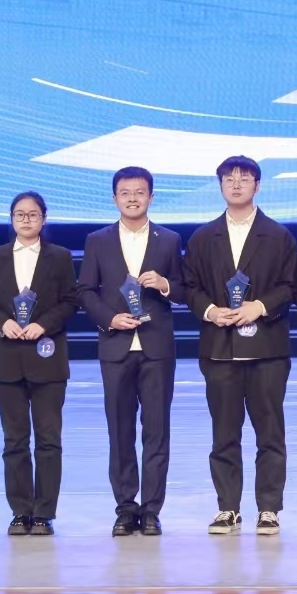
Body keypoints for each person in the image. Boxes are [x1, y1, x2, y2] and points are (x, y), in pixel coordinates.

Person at [183, 156, 297, 536]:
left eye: (244, 178)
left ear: (257, 186)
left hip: (268, 350)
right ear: (220, 185)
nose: (236, 184)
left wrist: (259, 306)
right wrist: (211, 310)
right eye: (229, 179)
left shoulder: (278, 236)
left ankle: (269, 508)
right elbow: (190, 286)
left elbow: (290, 286)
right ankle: (228, 507)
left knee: (270, 432)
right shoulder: (203, 237)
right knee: (224, 434)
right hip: (219, 349)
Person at [77, 166, 186, 536]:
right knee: (120, 431)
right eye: (125, 193)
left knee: (156, 431)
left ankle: (152, 509)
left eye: (140, 192)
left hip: (157, 347)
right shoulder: (98, 240)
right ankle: (126, 508)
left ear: (151, 197)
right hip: (116, 347)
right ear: (114, 198)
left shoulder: (169, 239)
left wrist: (166, 284)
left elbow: (185, 289)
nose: (133, 198)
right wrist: (110, 319)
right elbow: (85, 291)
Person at [0, 191, 78, 536]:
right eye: (20, 214)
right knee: (14, 440)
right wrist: (1, 322)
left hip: (47, 359)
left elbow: (70, 301)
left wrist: (43, 324)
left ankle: (44, 513)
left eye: (33, 214)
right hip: (6, 361)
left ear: (43, 219)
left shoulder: (60, 257)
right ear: (12, 219)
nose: (26, 220)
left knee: (48, 439)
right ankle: (20, 511)